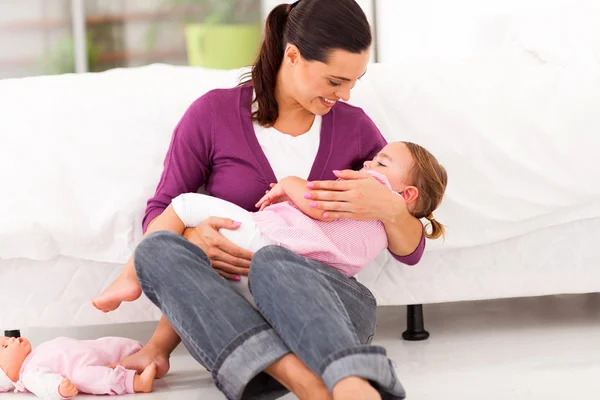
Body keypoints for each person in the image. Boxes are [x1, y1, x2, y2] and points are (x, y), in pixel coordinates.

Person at [111, 1, 428, 399]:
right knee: (155, 250)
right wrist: (194, 238)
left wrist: (390, 208)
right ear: (292, 56)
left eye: (354, 81)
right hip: (233, 316)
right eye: (334, 81)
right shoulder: (212, 114)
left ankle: (347, 379)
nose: (345, 94)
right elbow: (163, 210)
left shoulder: (356, 129)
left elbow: (410, 251)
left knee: (274, 262)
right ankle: (303, 381)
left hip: (329, 313)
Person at [92, 141, 447, 313]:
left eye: (381, 161)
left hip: (269, 244)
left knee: (185, 206)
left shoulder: (371, 190)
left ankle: (131, 275)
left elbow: (317, 206)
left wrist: (289, 182)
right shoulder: (381, 224)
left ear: (408, 193)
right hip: (295, 281)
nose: (368, 161)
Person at [0, 335, 156, 398]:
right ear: (6, 373)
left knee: (110, 345)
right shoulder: (29, 374)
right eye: (5, 346)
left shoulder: (35, 354)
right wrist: (59, 388)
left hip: (89, 349)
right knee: (94, 378)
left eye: (7, 339)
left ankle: (141, 354)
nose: (12, 339)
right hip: (80, 368)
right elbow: (44, 385)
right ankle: (136, 382)